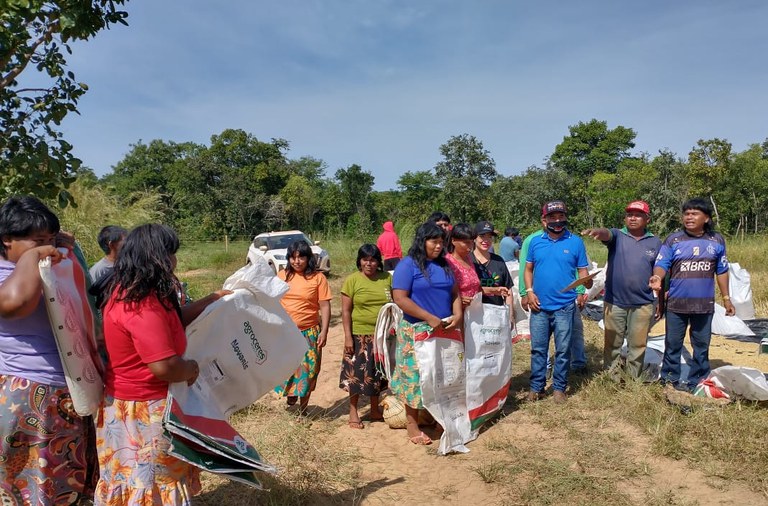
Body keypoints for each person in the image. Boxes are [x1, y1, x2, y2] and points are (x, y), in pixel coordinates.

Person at [95, 224, 229, 504]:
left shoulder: (133, 291)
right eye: (170, 254)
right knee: (153, 483)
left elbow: (173, 321)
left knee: (134, 481)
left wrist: (213, 298)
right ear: (156, 258)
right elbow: (164, 366)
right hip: (145, 413)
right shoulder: (141, 304)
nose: (174, 261)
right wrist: (191, 368)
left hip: (129, 405)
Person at [0, 196, 96, 504]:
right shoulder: (6, 273)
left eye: (51, 239)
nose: (48, 247)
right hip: (29, 394)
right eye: (38, 240)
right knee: (30, 487)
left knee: (64, 483)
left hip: (68, 391)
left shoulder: (50, 265)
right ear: (7, 239)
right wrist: (34, 255)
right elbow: (16, 303)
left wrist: (54, 248)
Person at [649, 198, 735, 392]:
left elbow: (722, 270)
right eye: (686, 214)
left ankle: (698, 381)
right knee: (673, 344)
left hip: (704, 306)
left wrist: (727, 299)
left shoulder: (716, 240)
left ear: (706, 218)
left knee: (701, 346)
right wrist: (657, 277)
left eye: (694, 213)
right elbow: (662, 264)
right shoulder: (674, 240)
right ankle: (669, 380)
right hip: (676, 305)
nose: (689, 217)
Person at [392, 222, 462, 445]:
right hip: (416, 331)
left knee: (441, 376)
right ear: (422, 241)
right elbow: (400, 298)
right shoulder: (408, 265)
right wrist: (428, 317)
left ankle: (438, 417)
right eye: (434, 241)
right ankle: (412, 424)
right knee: (415, 377)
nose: (439, 246)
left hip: (443, 330)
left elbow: (454, 292)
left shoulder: (445, 265)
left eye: (442, 242)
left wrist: (458, 314)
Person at [582, 200, 662, 380]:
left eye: (638, 215)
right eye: (629, 215)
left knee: (638, 344)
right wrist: (598, 232)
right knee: (612, 343)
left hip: (643, 303)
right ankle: (612, 377)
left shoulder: (655, 242)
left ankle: (633, 379)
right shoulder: (618, 236)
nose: (633, 218)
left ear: (647, 219)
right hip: (614, 301)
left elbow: (660, 271)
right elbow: (607, 234)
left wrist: (660, 301)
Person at [524, 201, 591, 403]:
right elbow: (528, 269)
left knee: (563, 349)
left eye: (561, 216)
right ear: (544, 220)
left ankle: (559, 388)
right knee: (538, 349)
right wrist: (529, 292)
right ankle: (537, 387)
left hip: (565, 306)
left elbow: (583, 271)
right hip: (539, 306)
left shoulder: (575, 242)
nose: (557, 220)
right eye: (552, 217)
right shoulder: (535, 242)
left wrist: (585, 285)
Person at [275, 240, 332, 415]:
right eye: (293, 258)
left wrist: (324, 331)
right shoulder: (281, 276)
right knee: (287, 368)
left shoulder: (318, 278)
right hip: (285, 333)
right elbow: (272, 301)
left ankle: (303, 409)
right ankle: (291, 393)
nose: (297, 261)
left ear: (308, 258)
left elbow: (325, 306)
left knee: (308, 372)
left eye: (301, 257)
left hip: (310, 332)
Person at [339, 244, 391, 429]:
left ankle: (375, 410)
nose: (369, 263)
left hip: (382, 335)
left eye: (373, 260)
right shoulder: (352, 280)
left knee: (377, 373)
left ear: (378, 261)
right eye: (365, 259)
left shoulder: (387, 278)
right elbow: (346, 311)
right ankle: (353, 412)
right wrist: (348, 337)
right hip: (359, 335)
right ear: (359, 261)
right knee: (355, 374)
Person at [472, 221, 513, 306]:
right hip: (473, 310)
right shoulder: (467, 260)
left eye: (490, 237)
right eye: (482, 236)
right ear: (474, 238)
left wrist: (510, 312)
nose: (486, 240)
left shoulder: (498, 261)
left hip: (496, 311)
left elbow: (508, 290)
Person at [445, 223, 482, 307]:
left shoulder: (469, 259)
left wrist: (494, 290)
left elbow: (475, 287)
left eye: (472, 242)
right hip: (456, 312)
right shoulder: (448, 262)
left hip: (473, 311)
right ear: (453, 241)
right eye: (466, 242)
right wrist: (458, 300)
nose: (470, 247)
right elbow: (442, 293)